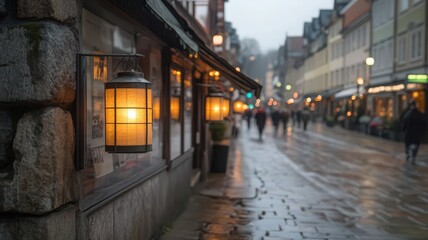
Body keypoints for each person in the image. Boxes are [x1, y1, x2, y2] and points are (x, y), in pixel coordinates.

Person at [402, 100, 426, 165]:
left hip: (409, 134)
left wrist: (403, 130)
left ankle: (408, 154)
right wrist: (422, 133)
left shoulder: (408, 114)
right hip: (417, 135)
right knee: (416, 145)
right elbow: (424, 124)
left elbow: (404, 124)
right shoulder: (420, 114)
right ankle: (413, 157)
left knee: (408, 144)